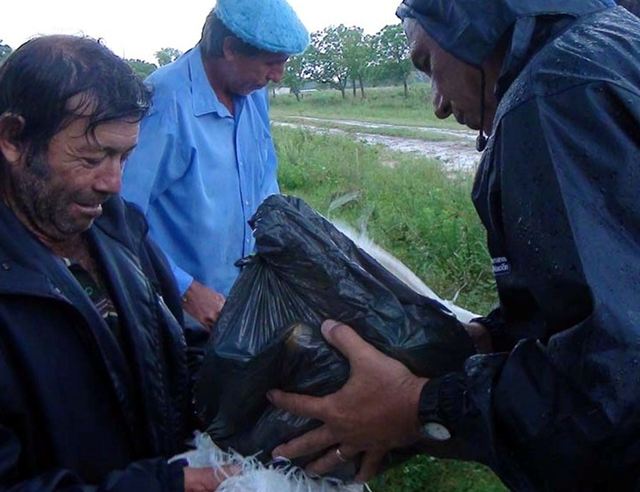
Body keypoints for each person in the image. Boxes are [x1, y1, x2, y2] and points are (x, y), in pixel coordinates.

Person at [267, 0, 640, 489]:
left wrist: (415, 407)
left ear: (472, 23)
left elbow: (611, 388)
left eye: (428, 65)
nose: (438, 105)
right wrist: (488, 336)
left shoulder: (549, 99)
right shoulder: (611, 42)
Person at [0, 35, 231, 492]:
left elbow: (169, 350)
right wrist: (165, 486)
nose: (113, 183)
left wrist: (245, 380)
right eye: (91, 158)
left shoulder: (118, 227)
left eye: (124, 157)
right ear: (12, 138)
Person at [122, 0, 309, 328]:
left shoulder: (253, 95)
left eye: (283, 64)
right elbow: (119, 214)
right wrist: (185, 289)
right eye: (270, 63)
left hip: (241, 305)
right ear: (230, 48)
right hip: (177, 318)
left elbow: (264, 183)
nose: (278, 77)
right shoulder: (165, 102)